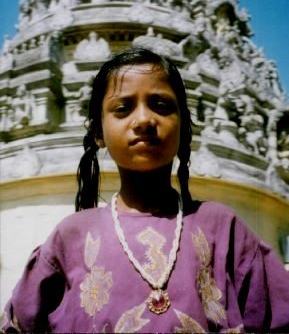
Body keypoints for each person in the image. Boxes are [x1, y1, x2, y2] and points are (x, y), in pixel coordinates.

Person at [1, 47, 289, 333]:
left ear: (184, 127)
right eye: (123, 109)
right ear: (98, 133)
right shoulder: (71, 236)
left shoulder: (223, 229)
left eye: (161, 106)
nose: (144, 121)